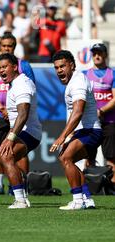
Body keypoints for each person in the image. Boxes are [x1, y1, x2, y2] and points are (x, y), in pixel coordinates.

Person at [0, 32, 35, 196]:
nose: (7, 48)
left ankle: (21, 186)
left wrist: (15, 109)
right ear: (0, 47)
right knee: (0, 149)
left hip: (18, 113)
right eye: (4, 45)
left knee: (20, 151)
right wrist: (2, 108)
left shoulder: (24, 66)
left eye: (10, 45)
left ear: (14, 47)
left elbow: (31, 88)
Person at [51, 50, 102, 210]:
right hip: (85, 130)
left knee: (65, 158)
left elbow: (78, 111)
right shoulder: (75, 80)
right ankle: (87, 199)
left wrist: (62, 136)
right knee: (69, 160)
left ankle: (78, 200)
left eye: (63, 66)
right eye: (57, 67)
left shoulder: (78, 81)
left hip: (90, 130)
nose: (59, 70)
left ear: (71, 65)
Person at [0, 53, 42, 209]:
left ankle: (20, 200)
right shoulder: (15, 84)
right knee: (5, 157)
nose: (1, 71)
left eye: (5, 67)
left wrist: (10, 137)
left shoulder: (22, 84)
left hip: (29, 132)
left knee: (5, 156)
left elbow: (23, 114)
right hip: (24, 131)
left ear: (15, 67)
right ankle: (22, 194)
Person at [83, 43, 115, 185]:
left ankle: (112, 186)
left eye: (100, 53)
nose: (97, 56)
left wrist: (101, 111)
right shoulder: (85, 75)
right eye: (94, 53)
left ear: (105, 55)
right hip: (91, 122)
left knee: (112, 156)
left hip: (109, 121)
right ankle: (90, 185)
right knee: (89, 155)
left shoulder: (112, 74)